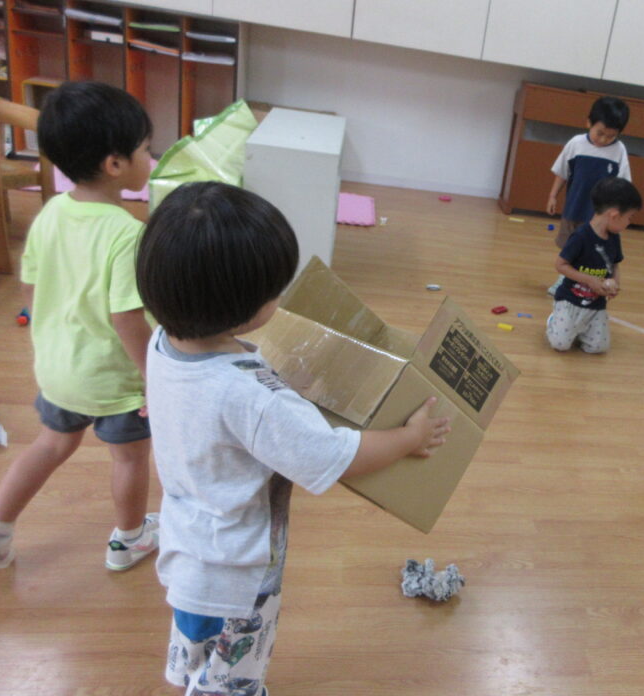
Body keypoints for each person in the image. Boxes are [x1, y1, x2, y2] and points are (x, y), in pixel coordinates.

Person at [136, 181, 450, 696]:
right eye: (274, 290)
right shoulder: (250, 399)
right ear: (243, 309)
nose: (280, 297)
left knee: (200, 647)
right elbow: (333, 455)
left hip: (191, 545)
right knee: (231, 679)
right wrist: (407, 438)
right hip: (237, 573)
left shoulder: (164, 343)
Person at [0, 81, 157, 571]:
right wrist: (154, 379)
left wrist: (46, 340)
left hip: (59, 370)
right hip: (114, 381)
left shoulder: (51, 212)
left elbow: (30, 287)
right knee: (129, 458)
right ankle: (128, 541)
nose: (151, 158)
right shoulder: (127, 234)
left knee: (51, 444)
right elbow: (127, 318)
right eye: (146, 149)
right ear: (115, 164)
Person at [545, 96, 631, 295]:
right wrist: (552, 196)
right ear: (588, 123)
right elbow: (562, 172)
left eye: (610, 136)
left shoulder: (619, 150)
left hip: (599, 216)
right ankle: (565, 279)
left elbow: (623, 184)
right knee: (570, 247)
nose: (603, 140)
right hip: (574, 208)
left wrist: (619, 211)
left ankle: (589, 280)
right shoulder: (576, 144)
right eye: (599, 133)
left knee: (593, 249)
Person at [546, 177, 642, 354]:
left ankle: (580, 329)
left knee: (598, 347)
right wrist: (589, 280)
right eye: (629, 217)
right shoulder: (580, 236)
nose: (629, 223)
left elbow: (615, 264)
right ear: (614, 215)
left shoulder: (614, 238)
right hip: (570, 300)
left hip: (595, 303)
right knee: (560, 345)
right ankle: (554, 319)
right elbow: (560, 265)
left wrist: (615, 283)